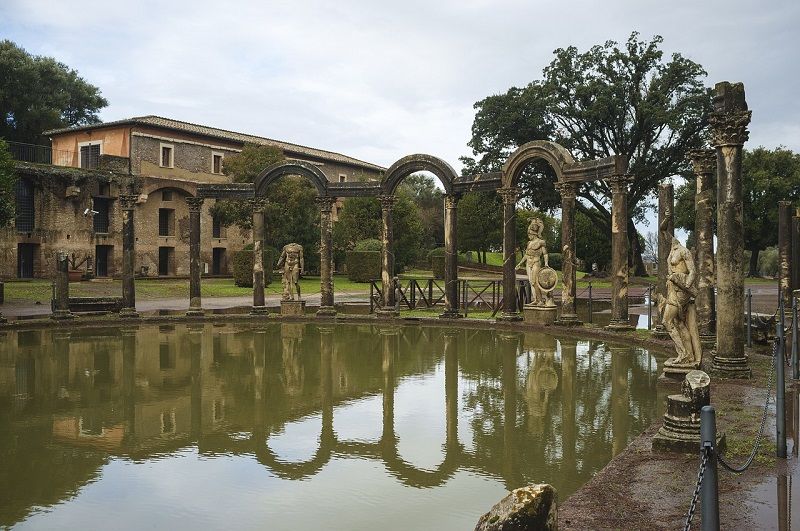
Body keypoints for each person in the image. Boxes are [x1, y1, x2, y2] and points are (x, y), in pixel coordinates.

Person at [661, 237, 702, 365]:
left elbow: (692, 272)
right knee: (679, 324)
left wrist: (686, 286)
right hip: (672, 288)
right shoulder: (671, 251)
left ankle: (683, 353)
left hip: (681, 289)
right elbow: (663, 230)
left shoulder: (684, 251)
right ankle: (689, 355)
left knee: (666, 321)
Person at [516, 218, 549, 306]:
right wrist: (520, 263)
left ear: (533, 234)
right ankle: (536, 300)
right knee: (531, 282)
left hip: (536, 262)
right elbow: (526, 255)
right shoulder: (529, 243)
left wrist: (546, 263)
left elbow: (545, 254)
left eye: (529, 234)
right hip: (528, 263)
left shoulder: (541, 242)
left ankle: (541, 300)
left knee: (535, 281)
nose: (528, 235)